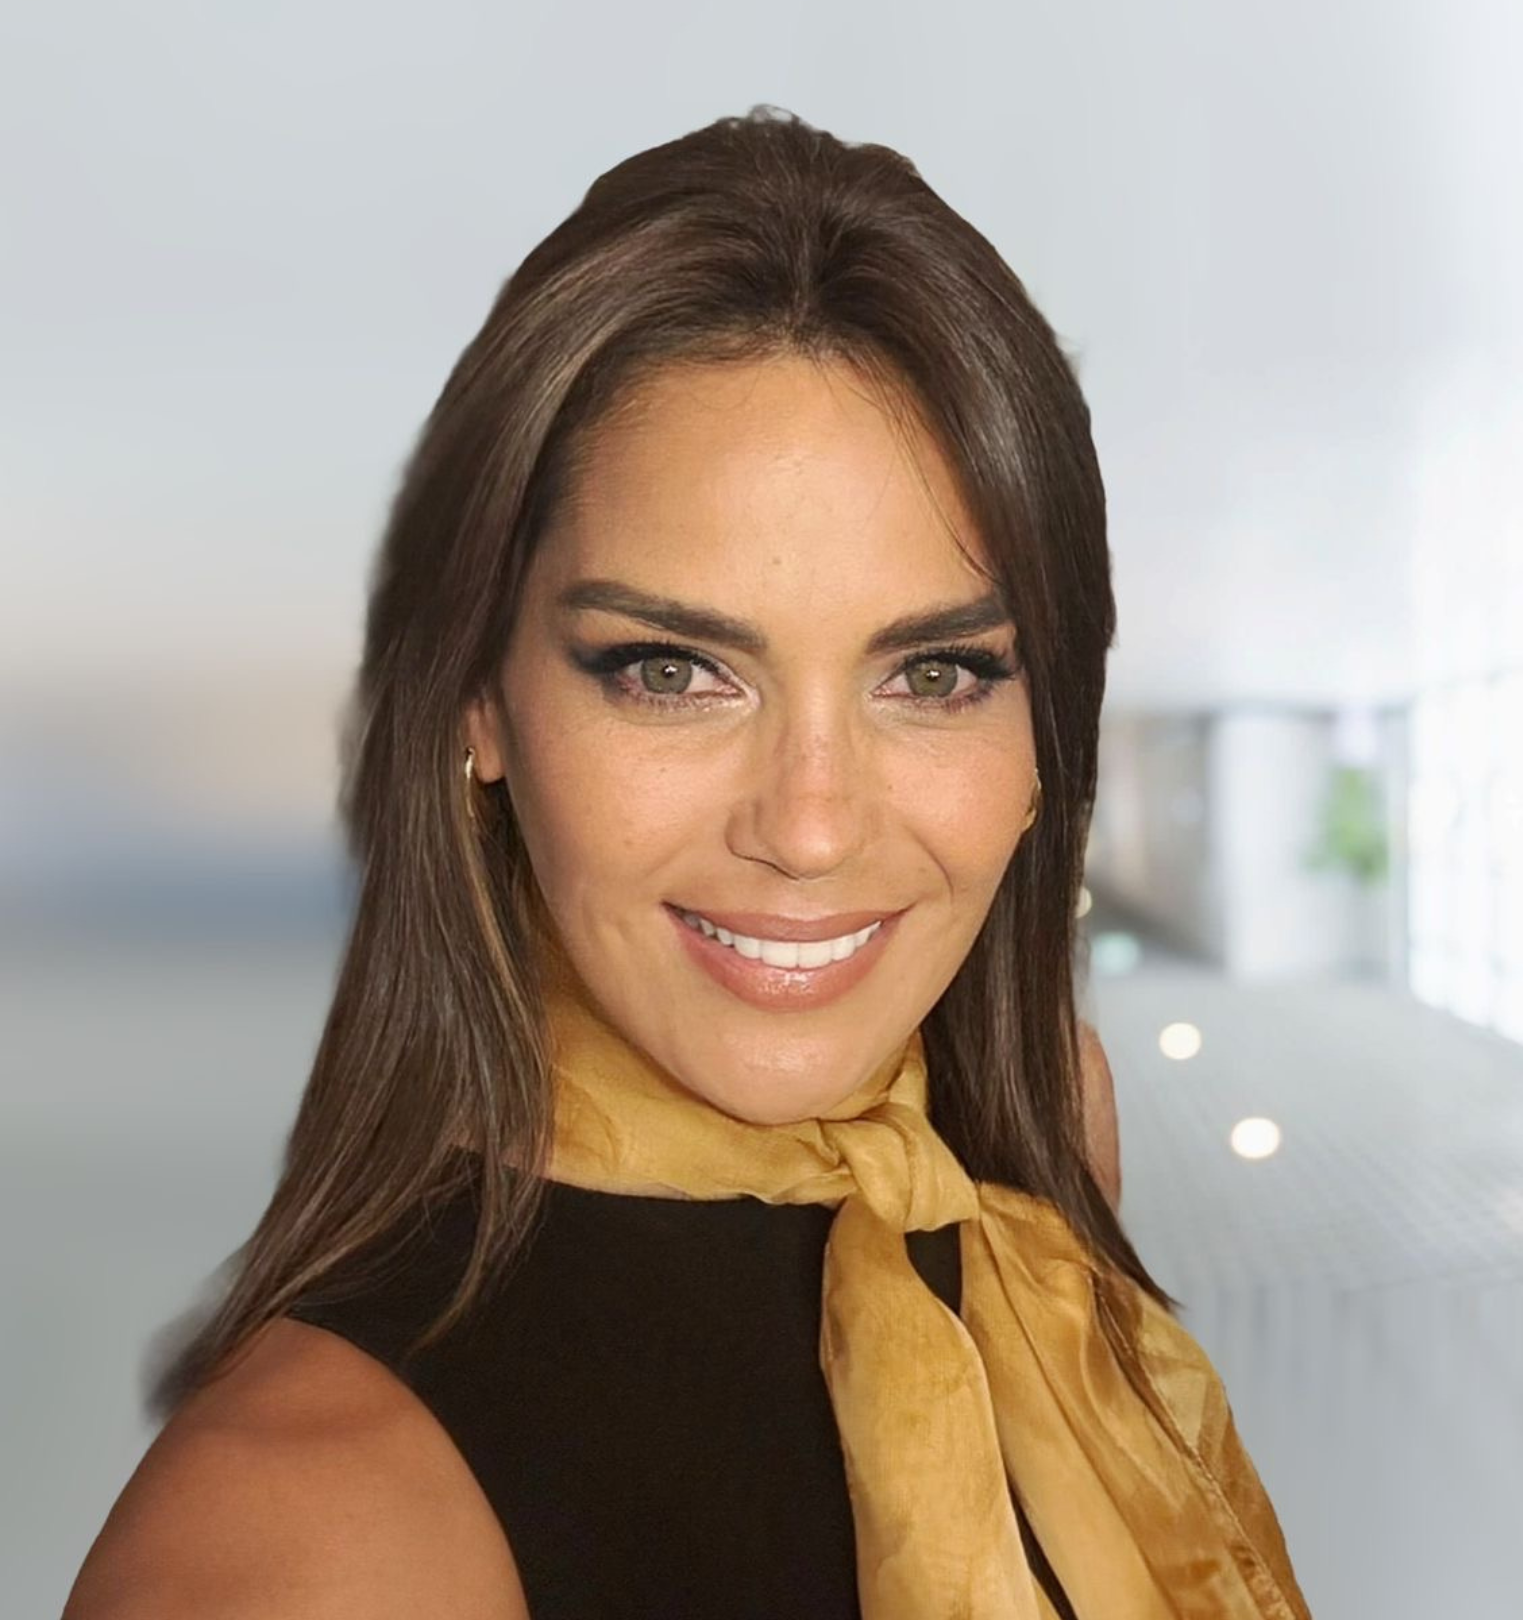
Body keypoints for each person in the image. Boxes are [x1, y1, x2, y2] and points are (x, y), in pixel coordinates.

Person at [65, 107, 1311, 1619]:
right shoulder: (300, 1546)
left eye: (933, 675)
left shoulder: (1029, 1148)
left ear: (1049, 730)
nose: (811, 826)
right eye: (672, 670)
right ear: (478, 700)